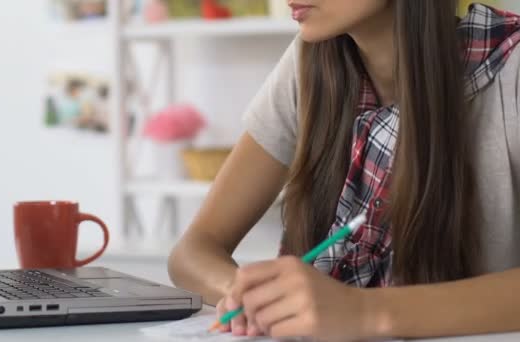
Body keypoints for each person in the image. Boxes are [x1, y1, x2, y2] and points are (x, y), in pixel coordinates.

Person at [167, 1, 520, 340]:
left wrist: (365, 312)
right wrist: (248, 294)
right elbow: (193, 252)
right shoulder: (309, 64)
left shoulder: (511, 68)